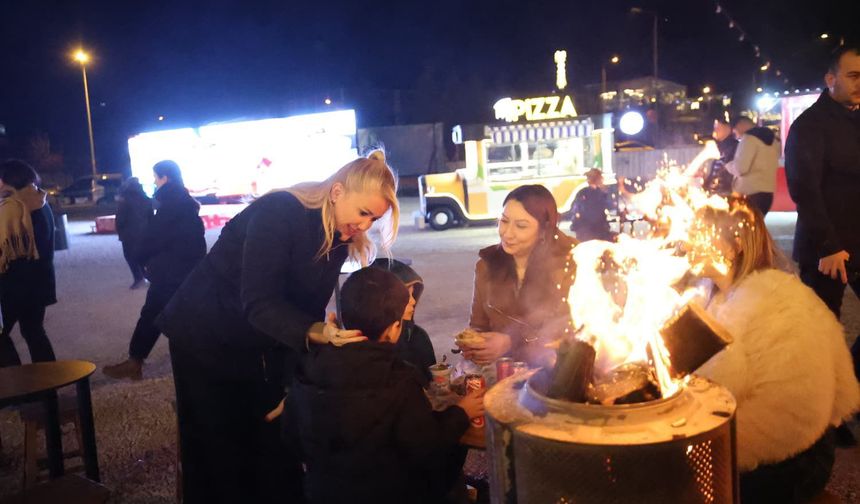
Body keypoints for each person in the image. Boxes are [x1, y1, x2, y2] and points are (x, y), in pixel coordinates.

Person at [156, 151, 398, 504]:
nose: (364, 226)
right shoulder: (279, 213)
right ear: (336, 192)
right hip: (203, 335)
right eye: (363, 213)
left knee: (271, 438)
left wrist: (294, 383)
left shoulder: (339, 241)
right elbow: (260, 303)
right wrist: (317, 331)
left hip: (256, 339)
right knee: (217, 452)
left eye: (373, 219)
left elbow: (305, 311)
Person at [689, 200, 859, 503]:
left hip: (785, 463)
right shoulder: (722, 293)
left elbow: (713, 393)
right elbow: (843, 390)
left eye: (700, 231)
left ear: (736, 244)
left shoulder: (760, 302)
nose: (688, 239)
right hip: (809, 446)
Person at [287, 267, 481, 504]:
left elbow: (291, 438)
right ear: (394, 329)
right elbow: (428, 448)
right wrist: (462, 412)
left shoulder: (310, 367)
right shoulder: (397, 379)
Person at [785, 45, 860, 388]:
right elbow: (804, 189)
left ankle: (851, 391)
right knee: (824, 337)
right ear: (831, 79)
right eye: (854, 75)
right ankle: (825, 415)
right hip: (825, 250)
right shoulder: (809, 125)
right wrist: (829, 245)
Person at [103, 161, 205, 381]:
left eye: (156, 177)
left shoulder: (171, 204)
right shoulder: (183, 201)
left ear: (165, 178)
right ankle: (136, 361)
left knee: (156, 316)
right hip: (182, 270)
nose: (154, 181)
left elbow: (153, 237)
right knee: (162, 316)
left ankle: (136, 362)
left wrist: (140, 257)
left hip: (170, 273)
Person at [460, 184, 577, 368]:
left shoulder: (572, 263)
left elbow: (572, 329)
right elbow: (478, 324)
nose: (507, 233)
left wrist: (511, 341)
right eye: (504, 221)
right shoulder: (487, 265)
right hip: (502, 371)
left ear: (544, 229)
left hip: (554, 372)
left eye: (521, 226)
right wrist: (475, 344)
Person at [0, 160, 57, 367]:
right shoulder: (39, 201)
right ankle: (48, 383)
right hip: (39, 283)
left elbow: (7, 249)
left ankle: (17, 385)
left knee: (3, 334)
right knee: (33, 331)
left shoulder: (15, 208)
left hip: (16, 285)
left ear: (7, 181)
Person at [370, 257, 436, 386]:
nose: (413, 301)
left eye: (413, 295)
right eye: (406, 295)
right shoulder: (360, 350)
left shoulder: (417, 337)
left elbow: (432, 384)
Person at [727, 116, 780, 216]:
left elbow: (740, 169)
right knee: (757, 228)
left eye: (735, 131)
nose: (736, 135)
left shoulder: (748, 139)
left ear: (741, 125)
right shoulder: (774, 141)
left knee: (745, 230)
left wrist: (728, 165)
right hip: (767, 193)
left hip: (749, 194)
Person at [114, 177, 153, 289]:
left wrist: (119, 230)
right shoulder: (146, 199)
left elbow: (120, 219)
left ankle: (138, 278)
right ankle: (147, 276)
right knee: (143, 255)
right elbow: (151, 217)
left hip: (128, 234)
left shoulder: (124, 200)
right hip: (145, 232)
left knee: (130, 256)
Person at [569, 168, 614, 242]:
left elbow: (575, 209)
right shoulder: (598, 194)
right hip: (593, 230)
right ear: (598, 179)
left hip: (586, 231)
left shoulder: (583, 192)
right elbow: (606, 207)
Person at [702, 118, 738, 196]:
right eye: (714, 128)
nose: (715, 131)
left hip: (726, 192)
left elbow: (730, 171)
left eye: (718, 128)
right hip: (715, 192)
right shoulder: (717, 146)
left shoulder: (734, 147)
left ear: (728, 129)